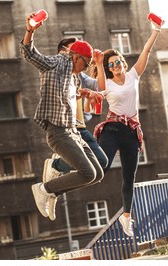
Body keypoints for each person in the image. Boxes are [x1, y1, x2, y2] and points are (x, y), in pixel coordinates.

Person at [20, 13, 104, 222]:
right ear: (76, 57)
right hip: (58, 132)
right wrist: (30, 31)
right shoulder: (57, 63)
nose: (85, 69)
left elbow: (69, 94)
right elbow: (30, 55)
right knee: (87, 173)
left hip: (73, 131)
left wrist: (84, 94)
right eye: (85, 64)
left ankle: (52, 192)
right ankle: (44, 188)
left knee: (98, 174)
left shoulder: (74, 77)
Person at [91, 18, 163, 236]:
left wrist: (156, 31)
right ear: (109, 70)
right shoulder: (108, 83)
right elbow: (100, 81)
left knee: (129, 175)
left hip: (132, 132)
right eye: (111, 65)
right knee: (100, 167)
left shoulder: (133, 75)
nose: (115, 67)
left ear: (123, 62)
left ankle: (126, 217)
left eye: (118, 62)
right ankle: (61, 166)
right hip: (113, 129)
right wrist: (98, 62)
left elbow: (146, 51)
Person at [43, 37, 108, 183]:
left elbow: (101, 86)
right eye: (74, 50)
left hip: (80, 126)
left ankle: (57, 165)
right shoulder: (55, 71)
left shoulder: (80, 74)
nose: (76, 53)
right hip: (64, 127)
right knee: (88, 172)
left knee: (102, 162)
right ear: (63, 52)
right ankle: (56, 166)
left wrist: (98, 64)